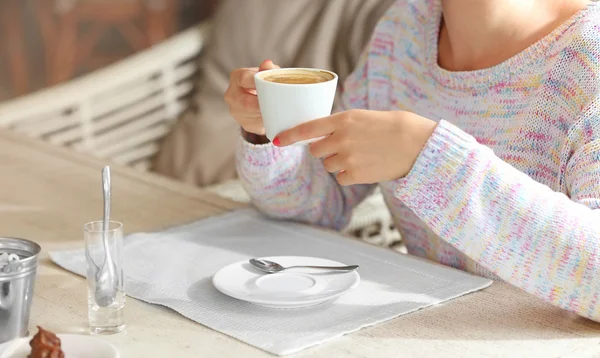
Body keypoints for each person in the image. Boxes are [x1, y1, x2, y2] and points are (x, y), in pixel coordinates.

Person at [225, 0, 600, 321]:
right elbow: (317, 206)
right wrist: (266, 133)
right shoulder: (405, 28)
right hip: (418, 331)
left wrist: (429, 158)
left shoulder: (590, 57)